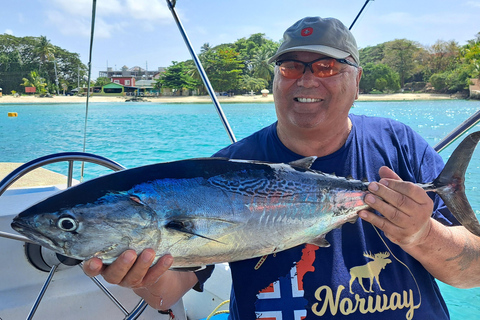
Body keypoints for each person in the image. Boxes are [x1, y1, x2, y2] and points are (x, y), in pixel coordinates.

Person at [83, 16, 480, 319]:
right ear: (274, 80)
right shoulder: (221, 171)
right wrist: (142, 278)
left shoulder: (399, 144)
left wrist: (421, 234)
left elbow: (473, 273)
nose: (306, 81)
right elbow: (169, 294)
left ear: (357, 81)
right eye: (291, 67)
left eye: (326, 68)